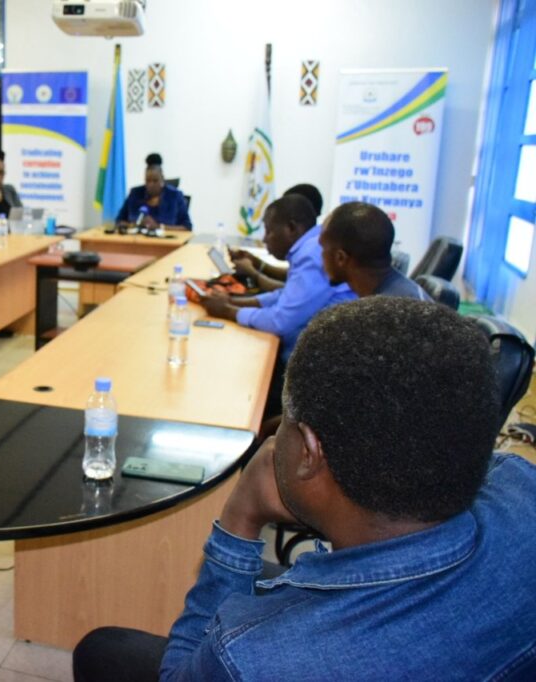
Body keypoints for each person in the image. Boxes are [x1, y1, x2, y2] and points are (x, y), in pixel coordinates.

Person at [74, 296, 536, 681]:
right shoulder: (521, 484)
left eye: (287, 423)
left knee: (102, 650)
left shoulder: (250, 658)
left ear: (310, 452)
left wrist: (240, 517)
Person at [200, 194, 355, 362]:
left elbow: (279, 321)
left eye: (269, 231)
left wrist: (227, 311)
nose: (264, 239)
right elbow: (287, 295)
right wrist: (231, 301)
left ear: (291, 228)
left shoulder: (311, 254)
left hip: (313, 359)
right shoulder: (309, 247)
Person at [321, 201, 431, 300]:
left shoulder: (392, 309)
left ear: (340, 258)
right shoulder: (393, 296)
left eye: (323, 248)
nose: (320, 256)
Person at [229, 183, 325, 292]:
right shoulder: (311, 245)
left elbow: (287, 293)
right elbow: (289, 276)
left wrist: (253, 273)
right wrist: (257, 263)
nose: (264, 239)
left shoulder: (312, 253)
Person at [115, 153, 192, 230]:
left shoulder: (174, 196)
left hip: (166, 237)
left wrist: (159, 227)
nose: (151, 184)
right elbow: (119, 221)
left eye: (155, 181)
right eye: (148, 181)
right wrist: (135, 225)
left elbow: (187, 227)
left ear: (162, 179)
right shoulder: (135, 194)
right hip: (137, 237)